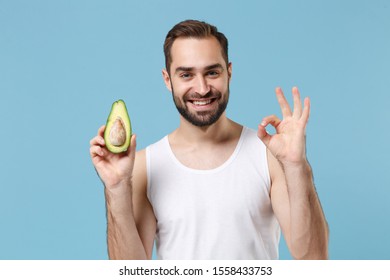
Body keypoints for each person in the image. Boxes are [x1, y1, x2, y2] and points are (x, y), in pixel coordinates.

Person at [89, 19, 329, 260]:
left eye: (212, 72)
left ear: (229, 73)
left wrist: (297, 166)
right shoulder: (145, 167)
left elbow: (314, 258)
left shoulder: (268, 156)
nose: (202, 88)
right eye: (186, 74)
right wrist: (118, 189)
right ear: (167, 79)